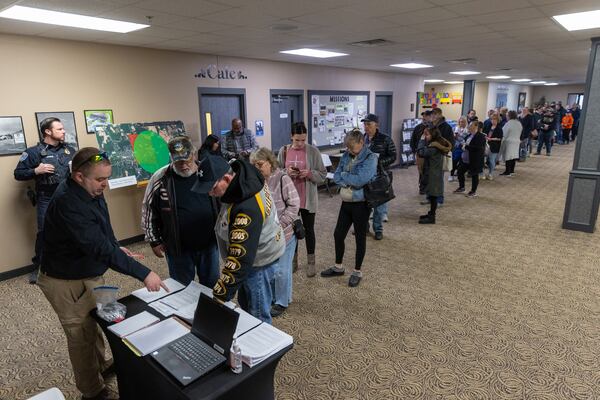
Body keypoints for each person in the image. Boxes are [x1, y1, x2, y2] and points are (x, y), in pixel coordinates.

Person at [38, 147, 165, 400]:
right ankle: (92, 391)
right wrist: (145, 273)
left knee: (96, 324)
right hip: (66, 281)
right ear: (78, 177)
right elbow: (96, 245)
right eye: (100, 179)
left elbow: (101, 226)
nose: (105, 184)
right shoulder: (68, 202)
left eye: (107, 178)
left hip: (88, 271)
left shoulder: (90, 189)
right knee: (80, 337)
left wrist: (115, 244)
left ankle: (100, 366)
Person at [207, 159, 286, 324]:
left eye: (213, 188)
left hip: (258, 262)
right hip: (261, 251)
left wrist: (221, 295)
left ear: (227, 179)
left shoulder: (247, 207)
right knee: (247, 305)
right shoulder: (243, 174)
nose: (210, 194)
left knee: (257, 315)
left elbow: (240, 259)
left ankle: (262, 347)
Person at [142, 136, 222, 287]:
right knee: (181, 287)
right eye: (178, 162)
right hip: (177, 247)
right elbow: (148, 209)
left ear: (193, 154)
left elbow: (222, 202)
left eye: (187, 160)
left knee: (211, 286)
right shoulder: (160, 178)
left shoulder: (207, 172)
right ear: (171, 158)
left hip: (209, 243)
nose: (184, 165)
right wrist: (154, 240)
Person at [14, 117, 75, 284]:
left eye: (63, 129)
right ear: (48, 132)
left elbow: (82, 166)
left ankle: (70, 263)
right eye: (60, 129)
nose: (64, 131)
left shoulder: (70, 150)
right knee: (44, 233)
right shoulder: (33, 152)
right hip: (46, 198)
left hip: (68, 197)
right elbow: (18, 174)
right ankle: (40, 268)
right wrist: (36, 170)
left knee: (71, 229)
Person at [320, 129, 377, 287]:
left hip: (361, 204)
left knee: (360, 238)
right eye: (348, 147)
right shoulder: (346, 155)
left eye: (352, 147)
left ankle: (357, 271)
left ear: (361, 143)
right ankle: (338, 267)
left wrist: (346, 177)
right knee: (338, 235)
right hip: (346, 202)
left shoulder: (371, 157)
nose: (349, 150)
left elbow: (360, 180)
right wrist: (347, 178)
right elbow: (336, 176)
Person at [250, 148, 300, 318]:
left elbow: (294, 205)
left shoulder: (282, 178)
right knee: (271, 270)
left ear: (270, 163)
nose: (257, 168)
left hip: (284, 233)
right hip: (268, 236)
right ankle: (279, 297)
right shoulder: (257, 180)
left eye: (260, 164)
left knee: (282, 270)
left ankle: (282, 302)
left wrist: (280, 224)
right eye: (254, 165)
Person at [277, 121, 326, 277]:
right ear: (291, 136)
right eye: (297, 139)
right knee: (291, 232)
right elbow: (276, 173)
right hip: (290, 200)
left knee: (309, 230)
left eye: (303, 140)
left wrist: (309, 174)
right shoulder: (283, 151)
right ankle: (293, 260)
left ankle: (311, 262)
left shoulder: (313, 151)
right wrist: (286, 171)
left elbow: (323, 175)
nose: (300, 143)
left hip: (307, 199)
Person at [362, 113, 396, 240]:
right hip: (365, 177)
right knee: (365, 205)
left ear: (376, 125)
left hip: (380, 177)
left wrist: (379, 162)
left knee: (379, 206)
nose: (366, 127)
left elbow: (393, 156)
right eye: (365, 124)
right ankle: (364, 228)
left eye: (369, 124)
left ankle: (378, 230)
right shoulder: (363, 139)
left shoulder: (385, 139)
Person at [418, 127, 451, 224]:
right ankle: (431, 213)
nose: (426, 136)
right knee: (432, 195)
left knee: (433, 196)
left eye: (427, 134)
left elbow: (421, 153)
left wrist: (421, 140)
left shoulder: (433, 147)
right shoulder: (437, 144)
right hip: (435, 173)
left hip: (433, 174)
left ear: (433, 135)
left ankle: (432, 217)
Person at [455, 121, 486, 198]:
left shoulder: (481, 136)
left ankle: (473, 191)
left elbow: (479, 149)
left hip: (475, 160)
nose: (468, 126)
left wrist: (466, 146)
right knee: (459, 172)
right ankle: (462, 187)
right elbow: (464, 143)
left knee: (474, 176)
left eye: (470, 125)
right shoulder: (469, 135)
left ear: (476, 127)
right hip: (465, 159)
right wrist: (462, 145)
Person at [431, 108, 454, 205]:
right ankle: (431, 198)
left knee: (439, 178)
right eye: (432, 115)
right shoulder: (432, 126)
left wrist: (439, 146)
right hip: (431, 156)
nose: (433, 116)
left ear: (440, 114)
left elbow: (450, 143)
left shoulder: (446, 127)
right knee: (432, 178)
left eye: (435, 114)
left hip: (440, 155)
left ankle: (440, 199)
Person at [411, 111, 432, 195]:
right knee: (422, 171)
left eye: (426, 116)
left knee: (429, 171)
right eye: (423, 117)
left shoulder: (433, 127)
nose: (424, 118)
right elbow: (413, 140)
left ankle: (428, 187)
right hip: (420, 153)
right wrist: (414, 151)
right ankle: (422, 188)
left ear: (430, 117)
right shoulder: (418, 128)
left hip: (430, 153)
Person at [499, 111, 523, 177]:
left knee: (508, 157)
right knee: (513, 157)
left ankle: (507, 171)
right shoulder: (519, 123)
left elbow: (504, 132)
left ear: (509, 116)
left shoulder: (508, 123)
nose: (506, 117)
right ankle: (512, 170)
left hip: (509, 142)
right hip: (516, 141)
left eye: (507, 115)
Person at [483, 113, 503, 180]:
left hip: (494, 146)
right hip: (486, 145)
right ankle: (482, 173)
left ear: (497, 120)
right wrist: (485, 137)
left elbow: (499, 138)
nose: (493, 121)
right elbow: (484, 133)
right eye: (492, 119)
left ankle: (490, 173)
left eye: (494, 119)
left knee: (491, 160)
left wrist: (491, 139)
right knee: (484, 160)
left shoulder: (499, 128)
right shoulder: (488, 126)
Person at [450, 116, 468, 182]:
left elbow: (467, 138)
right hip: (456, 148)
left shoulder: (467, 129)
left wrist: (459, 137)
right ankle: (451, 175)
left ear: (465, 123)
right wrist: (455, 137)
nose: (462, 123)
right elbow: (452, 137)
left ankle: (460, 175)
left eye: (463, 122)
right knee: (454, 161)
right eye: (460, 122)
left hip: (464, 148)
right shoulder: (455, 128)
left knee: (462, 162)